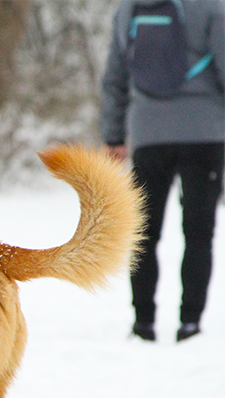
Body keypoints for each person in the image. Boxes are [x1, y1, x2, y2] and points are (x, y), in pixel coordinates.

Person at [101, 0, 225, 342]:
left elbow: (114, 77)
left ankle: (143, 323)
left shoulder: (130, 9)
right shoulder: (211, 8)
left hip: (147, 135)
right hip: (205, 134)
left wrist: (113, 135)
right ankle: (190, 322)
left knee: (143, 233)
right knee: (199, 234)